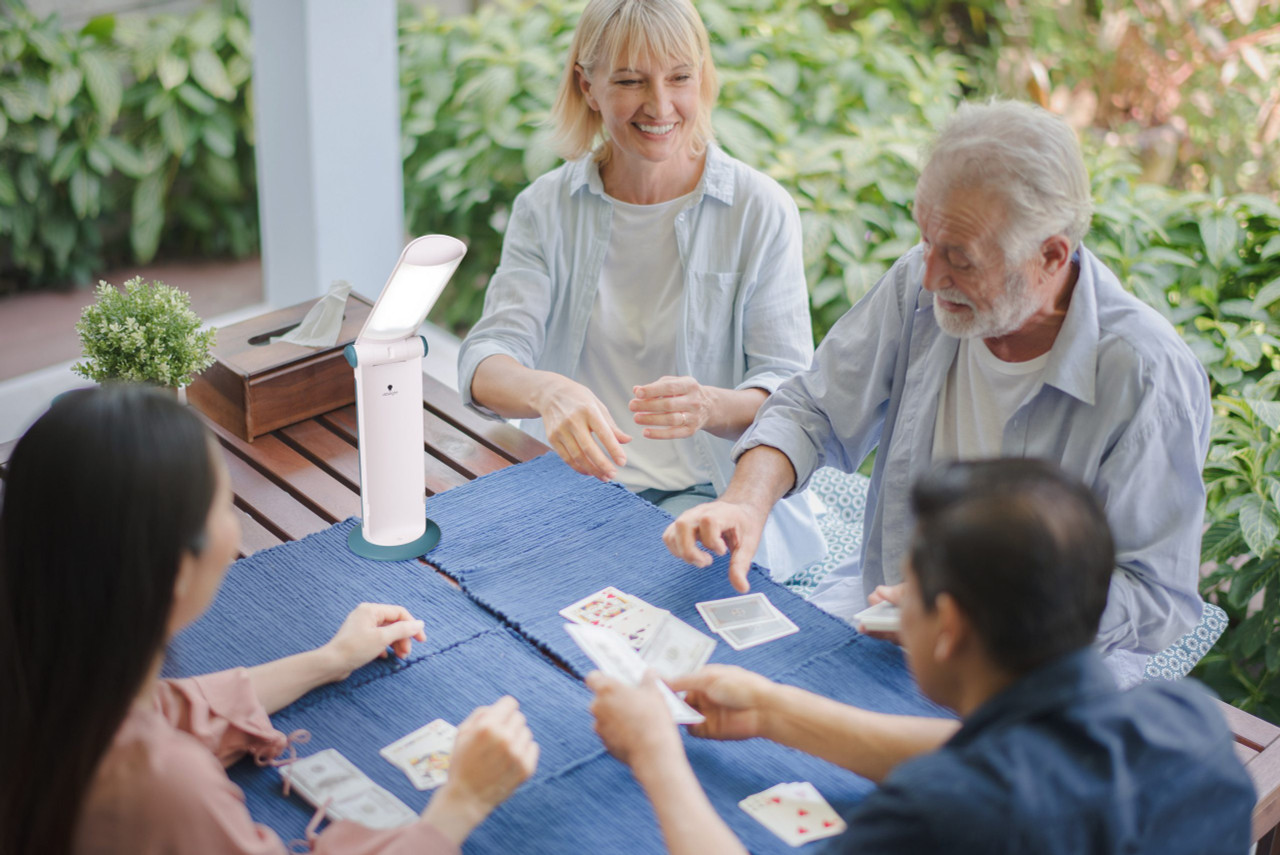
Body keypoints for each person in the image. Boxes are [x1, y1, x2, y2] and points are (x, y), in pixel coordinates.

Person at [663, 99, 1210, 683]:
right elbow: (812, 410)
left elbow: (1155, 596)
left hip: (1038, 672)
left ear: (1051, 255)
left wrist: (996, 610)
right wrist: (744, 503)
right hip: (879, 621)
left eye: (961, 259)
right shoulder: (922, 285)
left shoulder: (1148, 377)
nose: (930, 277)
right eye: (927, 242)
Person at [590, 459, 1256, 854]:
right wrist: (770, 707)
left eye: (909, 591)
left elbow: (976, 782)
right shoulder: (1185, 720)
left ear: (949, 627)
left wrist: (656, 753)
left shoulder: (938, 814)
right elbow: (994, 753)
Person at [0, 385, 540, 855]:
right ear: (176, 569)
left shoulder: (47, 684)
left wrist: (329, 660)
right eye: (225, 504)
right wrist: (460, 804)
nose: (235, 532)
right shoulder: (167, 788)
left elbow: (170, 709)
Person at [457, 0, 824, 580]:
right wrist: (549, 391)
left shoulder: (760, 209)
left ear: (701, 76)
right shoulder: (545, 209)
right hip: (573, 493)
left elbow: (789, 394)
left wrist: (710, 405)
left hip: (705, 497)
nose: (660, 105)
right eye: (630, 81)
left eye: (680, 77)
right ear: (589, 85)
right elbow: (484, 362)